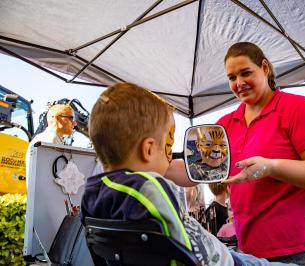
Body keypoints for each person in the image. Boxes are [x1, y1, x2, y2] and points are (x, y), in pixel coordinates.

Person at [80, 82, 292, 266]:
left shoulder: (91, 193)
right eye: (167, 148)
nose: (169, 158)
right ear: (149, 149)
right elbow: (194, 252)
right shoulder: (150, 188)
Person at [215, 41, 305, 264]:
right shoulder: (224, 125)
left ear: (265, 68)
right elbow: (197, 167)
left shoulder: (299, 108)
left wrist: (272, 167)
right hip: (252, 248)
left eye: (246, 73)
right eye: (232, 77)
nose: (239, 83)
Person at [25, 104, 76, 183]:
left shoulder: (48, 138)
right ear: (58, 118)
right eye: (71, 118)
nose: (74, 123)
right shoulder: (51, 139)